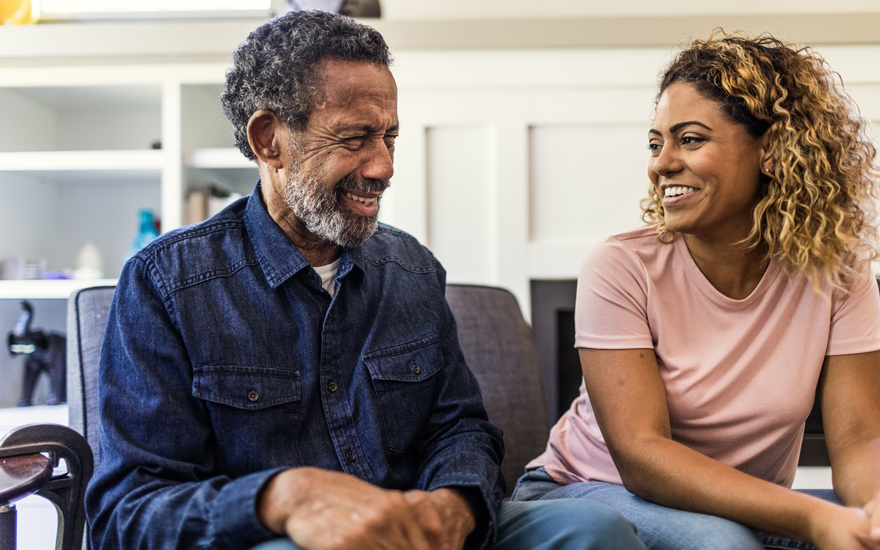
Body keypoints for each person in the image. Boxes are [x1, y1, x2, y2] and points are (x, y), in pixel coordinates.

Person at [85, 10, 646, 550]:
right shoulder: (167, 283)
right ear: (268, 139)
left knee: (595, 532)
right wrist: (281, 499)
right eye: (355, 138)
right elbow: (127, 514)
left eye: (390, 137)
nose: (384, 167)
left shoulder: (412, 270)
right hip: (273, 542)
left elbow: (462, 429)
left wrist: (454, 506)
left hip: (415, 534)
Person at [511, 29, 880, 550]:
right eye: (656, 143)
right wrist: (808, 517)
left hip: (741, 504)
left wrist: (874, 506)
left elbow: (861, 439)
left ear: (772, 151)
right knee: (723, 543)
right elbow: (642, 455)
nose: (661, 163)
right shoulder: (621, 266)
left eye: (690, 139)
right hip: (587, 492)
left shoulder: (838, 273)